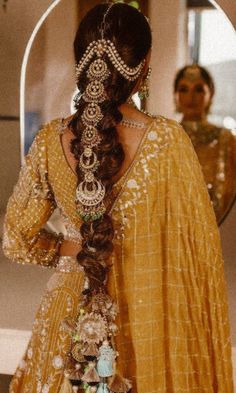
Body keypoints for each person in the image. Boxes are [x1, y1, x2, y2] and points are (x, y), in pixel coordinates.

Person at [3, 4, 233, 393]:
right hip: (146, 315)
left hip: (69, 311)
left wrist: (69, 250)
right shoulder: (166, 142)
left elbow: (15, 238)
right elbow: (196, 256)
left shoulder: (48, 141)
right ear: (143, 67)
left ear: (82, 64)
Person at [174, 64, 236, 225]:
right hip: (176, 227)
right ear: (175, 95)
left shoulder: (227, 140)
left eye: (199, 89)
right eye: (183, 89)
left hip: (220, 227)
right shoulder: (167, 137)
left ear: (211, 93)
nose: (191, 97)